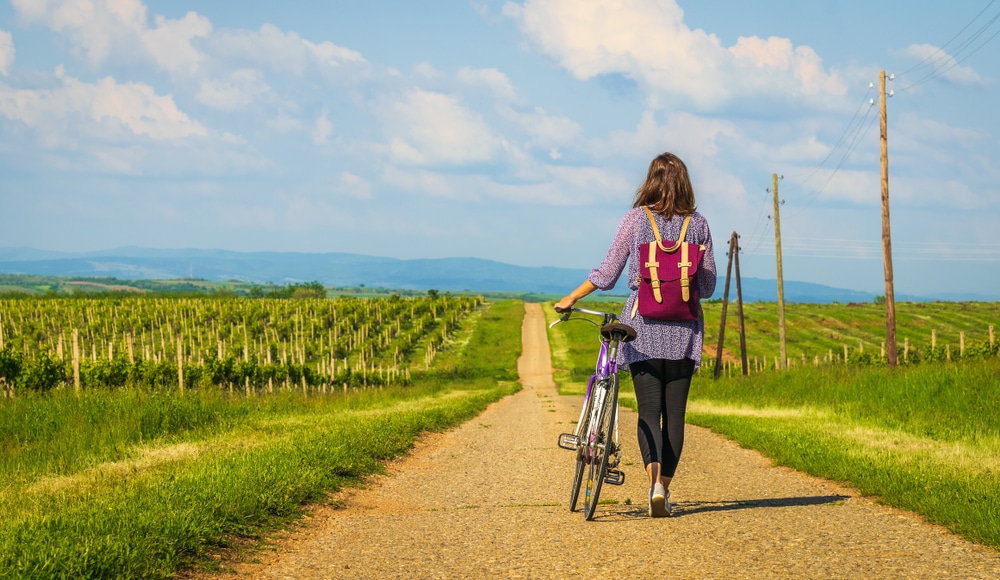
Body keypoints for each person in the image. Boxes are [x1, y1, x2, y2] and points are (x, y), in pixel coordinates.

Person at [555, 152, 717, 518]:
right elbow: (706, 286)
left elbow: (608, 272)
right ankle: (662, 490)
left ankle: (652, 478)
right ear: (685, 182)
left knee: (648, 410)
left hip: (641, 327)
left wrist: (572, 297)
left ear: (651, 181)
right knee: (674, 414)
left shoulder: (635, 219)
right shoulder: (700, 225)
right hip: (685, 330)